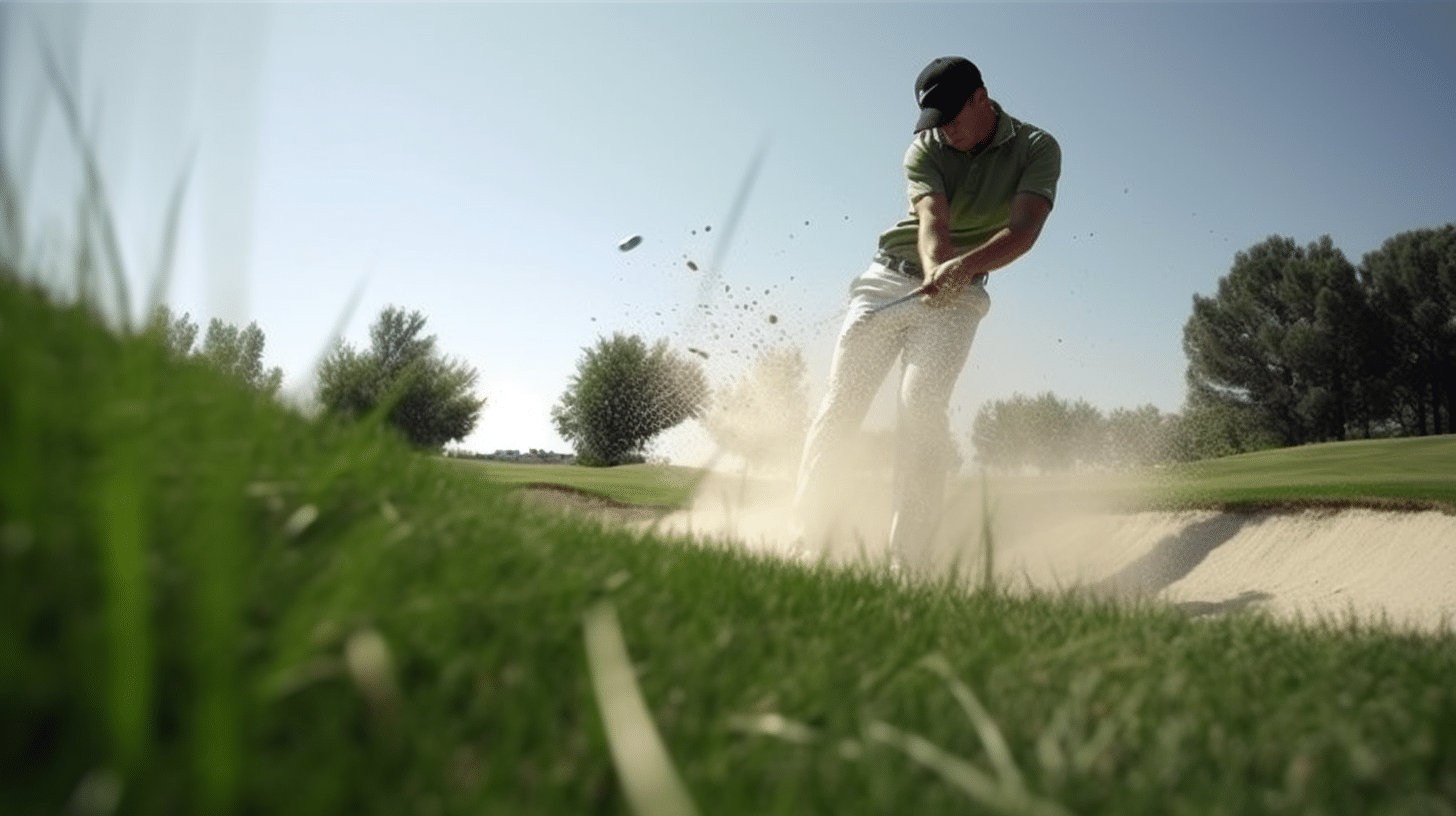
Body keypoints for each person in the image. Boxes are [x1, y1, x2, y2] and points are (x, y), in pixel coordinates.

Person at [793, 56, 1060, 569]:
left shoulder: (1036, 147)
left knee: (921, 412)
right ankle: (805, 547)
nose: (944, 131)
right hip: (886, 281)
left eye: (952, 117)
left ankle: (907, 566)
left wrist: (960, 272)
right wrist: (938, 264)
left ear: (980, 98)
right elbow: (932, 220)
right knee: (842, 405)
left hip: (959, 297)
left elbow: (1025, 230)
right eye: (934, 121)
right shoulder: (926, 147)